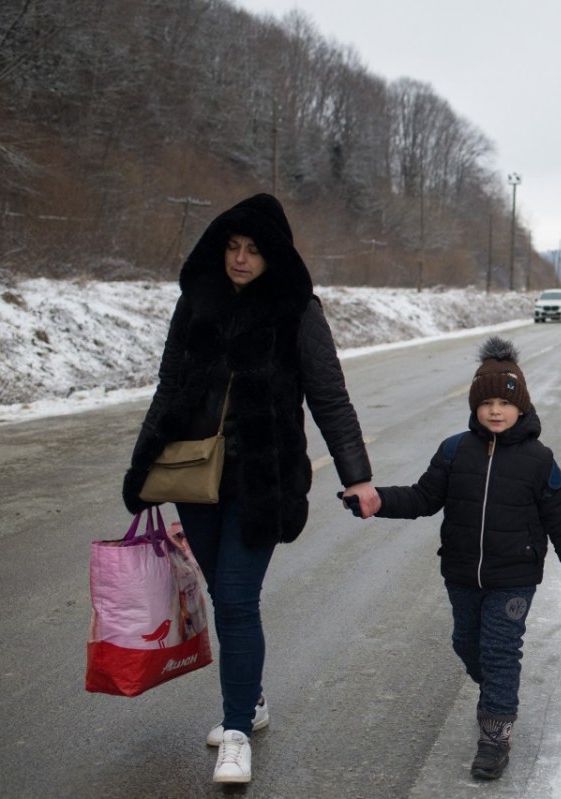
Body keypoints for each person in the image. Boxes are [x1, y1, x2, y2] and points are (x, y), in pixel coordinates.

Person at [122, 193, 380, 785]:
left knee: (237, 599)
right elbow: (169, 388)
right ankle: (252, 700)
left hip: (263, 480)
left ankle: (236, 730)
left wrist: (357, 476)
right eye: (233, 248)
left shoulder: (298, 311)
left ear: (274, 256)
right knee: (224, 595)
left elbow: (329, 396)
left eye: (254, 251)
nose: (240, 260)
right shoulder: (195, 304)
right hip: (195, 478)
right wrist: (142, 471)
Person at [368, 336, 561, 781]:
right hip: (461, 573)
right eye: (485, 402)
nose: (495, 410)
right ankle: (494, 692)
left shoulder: (538, 459)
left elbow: (560, 521)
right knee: (466, 644)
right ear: (474, 406)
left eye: (504, 403)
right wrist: (380, 499)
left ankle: (495, 735)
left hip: (514, 577)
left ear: (521, 407)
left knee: (499, 650)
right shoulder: (455, 450)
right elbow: (423, 497)